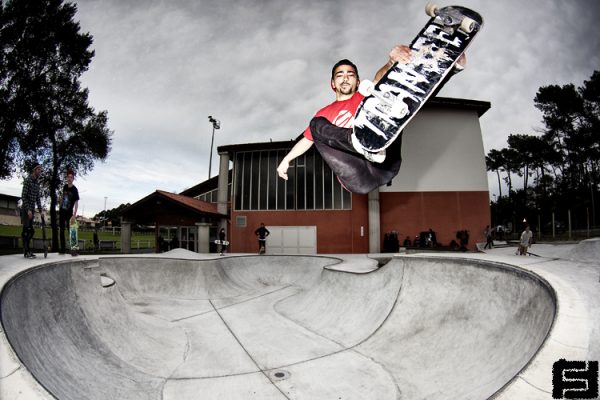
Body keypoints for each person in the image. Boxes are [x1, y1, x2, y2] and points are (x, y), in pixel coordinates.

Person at [276, 45, 466, 194]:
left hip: (385, 164)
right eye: (339, 75)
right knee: (315, 125)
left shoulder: (365, 93)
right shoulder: (324, 113)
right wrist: (286, 160)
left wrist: (391, 62)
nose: (345, 79)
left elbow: (380, 79)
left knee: (389, 96)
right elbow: (306, 141)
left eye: (350, 75)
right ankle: (359, 142)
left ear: (357, 82)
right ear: (332, 83)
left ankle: (449, 68)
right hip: (357, 176)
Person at [21, 164, 44, 259]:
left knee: (30, 231)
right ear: (34, 170)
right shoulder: (28, 180)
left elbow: (38, 198)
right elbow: (23, 196)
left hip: (32, 211)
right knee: (27, 230)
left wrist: (41, 210)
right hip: (26, 210)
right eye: (38, 169)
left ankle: (26, 249)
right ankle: (26, 252)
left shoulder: (37, 183)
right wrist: (28, 210)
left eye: (40, 170)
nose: (40, 171)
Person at [58, 169, 80, 255]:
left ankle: (73, 250)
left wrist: (74, 215)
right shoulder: (64, 187)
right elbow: (63, 197)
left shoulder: (75, 190)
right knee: (61, 231)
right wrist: (60, 204)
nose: (69, 179)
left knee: (71, 230)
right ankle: (62, 249)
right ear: (67, 178)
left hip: (69, 213)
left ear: (73, 179)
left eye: (71, 177)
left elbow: (76, 203)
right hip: (62, 211)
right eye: (68, 177)